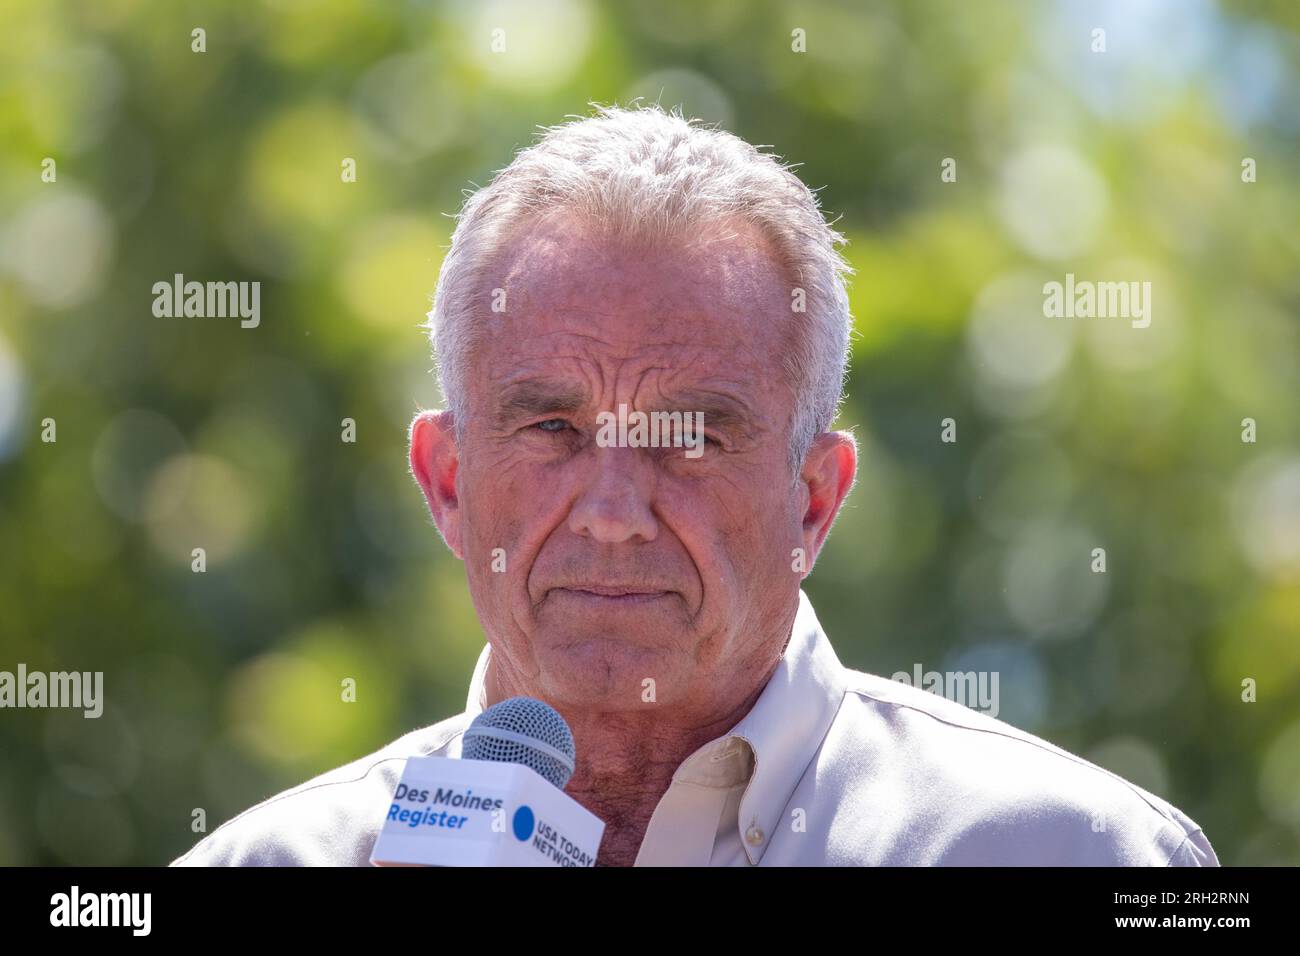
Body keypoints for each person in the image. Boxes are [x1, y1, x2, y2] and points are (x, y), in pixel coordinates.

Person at [172, 104, 1217, 867]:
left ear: (814, 499)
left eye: (690, 438)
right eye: (551, 428)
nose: (614, 512)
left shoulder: (1070, 854)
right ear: (446, 483)